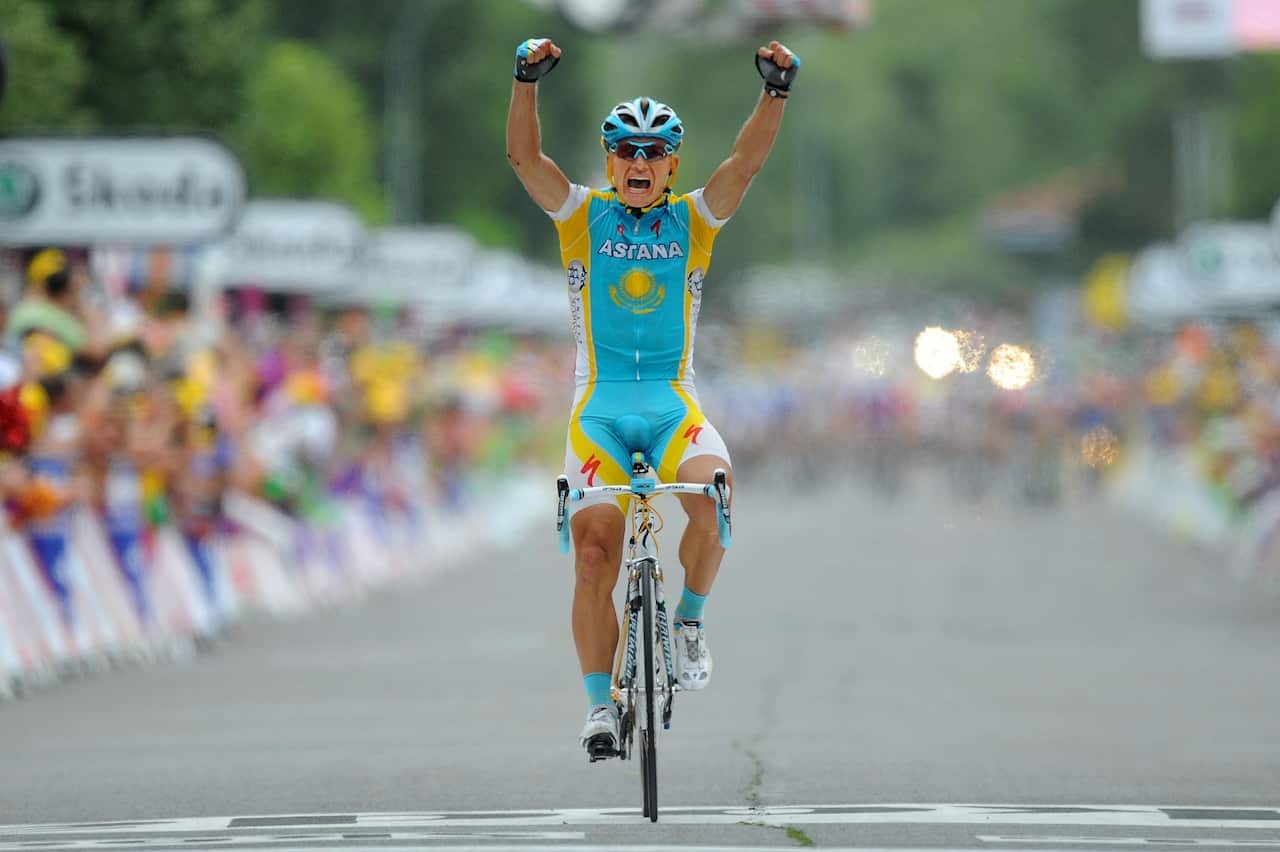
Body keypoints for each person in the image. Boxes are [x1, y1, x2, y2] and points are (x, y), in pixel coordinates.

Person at [506, 36, 798, 759]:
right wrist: (525, 82)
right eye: (627, 152)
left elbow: (747, 163)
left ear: (672, 164)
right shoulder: (581, 214)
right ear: (609, 162)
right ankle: (599, 707)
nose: (639, 163)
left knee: (718, 494)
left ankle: (689, 620)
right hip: (599, 409)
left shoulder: (695, 220)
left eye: (654, 153)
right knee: (594, 556)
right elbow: (524, 161)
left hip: (672, 404)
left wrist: (776, 91)